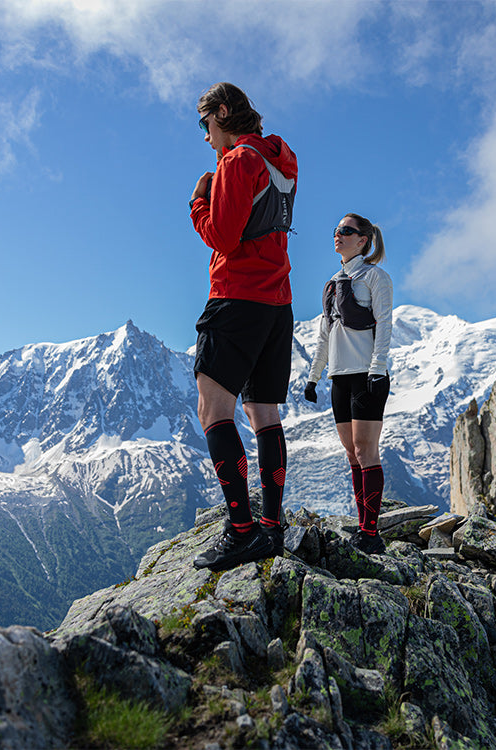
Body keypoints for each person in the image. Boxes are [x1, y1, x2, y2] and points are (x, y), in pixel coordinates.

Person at [188, 82, 298, 572]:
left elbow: (223, 236)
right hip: (278, 302)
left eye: (205, 125)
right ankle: (271, 528)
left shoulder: (237, 161)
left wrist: (198, 203)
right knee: (264, 413)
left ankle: (241, 531)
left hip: (236, 297)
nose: (206, 138)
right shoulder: (282, 157)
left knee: (214, 410)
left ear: (223, 113)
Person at [304, 214, 393, 554]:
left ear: (364, 240)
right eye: (336, 231)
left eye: (346, 231)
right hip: (339, 377)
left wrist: (378, 367)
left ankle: (371, 534)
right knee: (351, 454)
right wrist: (314, 377)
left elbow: (384, 324)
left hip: (367, 375)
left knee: (365, 450)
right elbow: (325, 334)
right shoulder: (331, 283)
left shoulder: (375, 277)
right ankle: (363, 526)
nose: (338, 236)